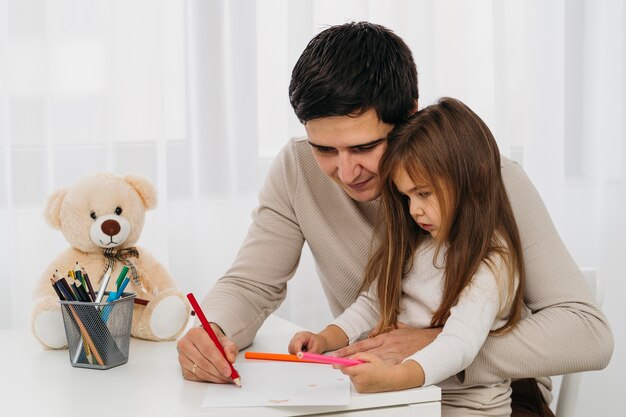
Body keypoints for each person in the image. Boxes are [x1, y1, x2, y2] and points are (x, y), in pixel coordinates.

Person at [176, 22, 613, 416]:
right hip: (380, 398)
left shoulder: (484, 179)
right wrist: (210, 332)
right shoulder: (297, 170)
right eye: (325, 149)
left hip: (492, 399)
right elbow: (252, 284)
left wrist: (439, 350)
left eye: (365, 147)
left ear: (410, 116)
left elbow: (587, 334)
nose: (346, 173)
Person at [289, 97, 526, 415]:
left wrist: (394, 377)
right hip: (409, 398)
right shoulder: (420, 242)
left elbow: (459, 344)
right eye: (407, 196)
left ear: (471, 178)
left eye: (424, 194)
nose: (414, 209)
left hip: (463, 408)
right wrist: (325, 338)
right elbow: (373, 303)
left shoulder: (491, 263)